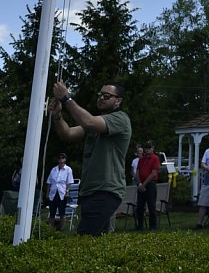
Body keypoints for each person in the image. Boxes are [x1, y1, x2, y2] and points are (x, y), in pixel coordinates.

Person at [47, 80, 131, 236]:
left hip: (105, 191)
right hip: (89, 192)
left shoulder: (121, 118)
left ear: (118, 101)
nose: (101, 98)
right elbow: (67, 134)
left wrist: (66, 98)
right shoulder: (94, 124)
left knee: (84, 239)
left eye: (106, 96)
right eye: (100, 95)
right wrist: (58, 116)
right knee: (97, 242)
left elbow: (88, 121)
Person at [136, 140, 161, 230]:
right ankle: (140, 226)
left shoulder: (155, 158)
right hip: (141, 184)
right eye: (146, 147)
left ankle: (153, 227)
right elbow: (137, 172)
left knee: (151, 206)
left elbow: (153, 173)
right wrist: (139, 184)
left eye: (149, 147)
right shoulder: (141, 159)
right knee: (139, 206)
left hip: (150, 184)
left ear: (153, 148)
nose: (147, 149)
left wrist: (144, 185)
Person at [45, 152, 74, 229]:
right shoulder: (53, 169)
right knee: (52, 213)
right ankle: (50, 229)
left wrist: (67, 192)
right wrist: (47, 193)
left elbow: (69, 182)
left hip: (62, 193)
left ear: (65, 159)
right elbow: (49, 182)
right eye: (59, 158)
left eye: (62, 158)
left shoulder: (68, 170)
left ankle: (61, 229)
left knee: (62, 213)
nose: (61, 159)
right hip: (53, 192)